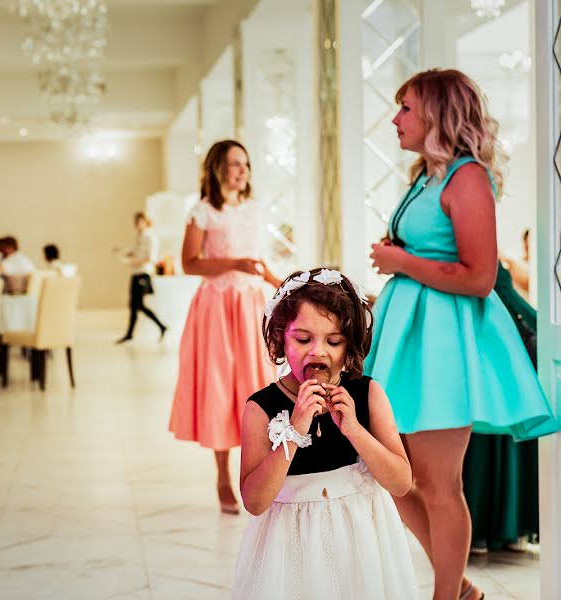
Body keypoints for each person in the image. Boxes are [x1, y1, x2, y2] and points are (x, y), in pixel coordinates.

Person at [367, 69, 557, 600]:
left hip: (443, 344)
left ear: (436, 114)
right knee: (392, 474)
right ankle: (462, 589)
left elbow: (478, 277)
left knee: (438, 484)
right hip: (408, 336)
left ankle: (447, 595)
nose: (395, 118)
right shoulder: (426, 176)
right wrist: (400, 254)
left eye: (405, 108)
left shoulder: (468, 177)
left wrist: (401, 259)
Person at [234, 268, 415, 599]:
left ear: (350, 346)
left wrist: (355, 431)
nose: (318, 351)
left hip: (363, 542)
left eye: (333, 341)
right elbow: (255, 501)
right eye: (303, 339)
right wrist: (294, 429)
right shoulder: (260, 408)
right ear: (279, 338)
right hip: (291, 547)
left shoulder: (368, 394)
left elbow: (401, 482)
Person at [168, 139, 282, 515]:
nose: (242, 170)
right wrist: (233, 264)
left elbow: (257, 262)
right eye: (235, 163)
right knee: (220, 387)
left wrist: (282, 285)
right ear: (218, 168)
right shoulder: (202, 212)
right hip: (217, 307)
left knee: (257, 386)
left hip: (251, 306)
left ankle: (259, 473)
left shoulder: (255, 209)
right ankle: (221, 475)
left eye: (245, 164)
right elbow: (190, 263)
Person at [463, 260, 539, 554]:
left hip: (479, 362)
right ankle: (491, 528)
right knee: (491, 445)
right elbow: (512, 300)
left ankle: (485, 528)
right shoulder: (488, 265)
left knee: (485, 446)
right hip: (497, 365)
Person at [114, 213, 167, 343]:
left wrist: (135, 262)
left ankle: (160, 326)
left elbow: (151, 258)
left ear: (145, 221)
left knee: (138, 305)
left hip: (143, 273)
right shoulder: (140, 237)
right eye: (136, 222)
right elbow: (135, 251)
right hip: (135, 273)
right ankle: (131, 333)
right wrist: (124, 252)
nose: (138, 224)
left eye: (140, 221)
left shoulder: (150, 237)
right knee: (134, 305)